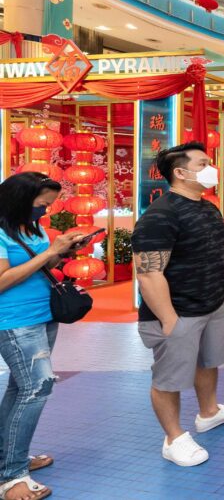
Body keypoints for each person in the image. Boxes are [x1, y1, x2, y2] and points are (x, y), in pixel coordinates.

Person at [132, 142, 224, 467]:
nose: (210, 169)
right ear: (180, 173)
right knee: (168, 378)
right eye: (203, 164)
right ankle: (173, 438)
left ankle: (209, 412)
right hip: (178, 312)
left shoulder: (207, 206)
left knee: (208, 360)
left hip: (213, 302)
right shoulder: (161, 215)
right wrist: (169, 320)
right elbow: (149, 273)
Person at [0, 173, 85, 500]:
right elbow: (3, 280)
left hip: (44, 314)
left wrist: (62, 252)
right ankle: (11, 476)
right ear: (21, 199)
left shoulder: (31, 227)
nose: (45, 211)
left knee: (20, 387)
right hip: (14, 320)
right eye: (42, 204)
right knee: (37, 387)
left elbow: (39, 266)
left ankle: (8, 456)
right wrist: (48, 253)